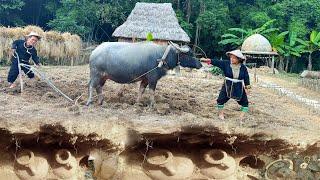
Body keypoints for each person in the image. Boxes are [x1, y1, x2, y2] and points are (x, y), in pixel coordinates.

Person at [201, 50, 251, 119]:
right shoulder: (226, 64)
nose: (231, 59)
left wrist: (247, 88)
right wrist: (209, 60)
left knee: (245, 103)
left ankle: (241, 118)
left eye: (234, 58)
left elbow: (246, 77)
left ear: (239, 59)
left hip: (239, 86)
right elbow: (217, 62)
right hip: (228, 85)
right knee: (220, 100)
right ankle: (220, 114)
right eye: (231, 57)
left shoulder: (243, 68)